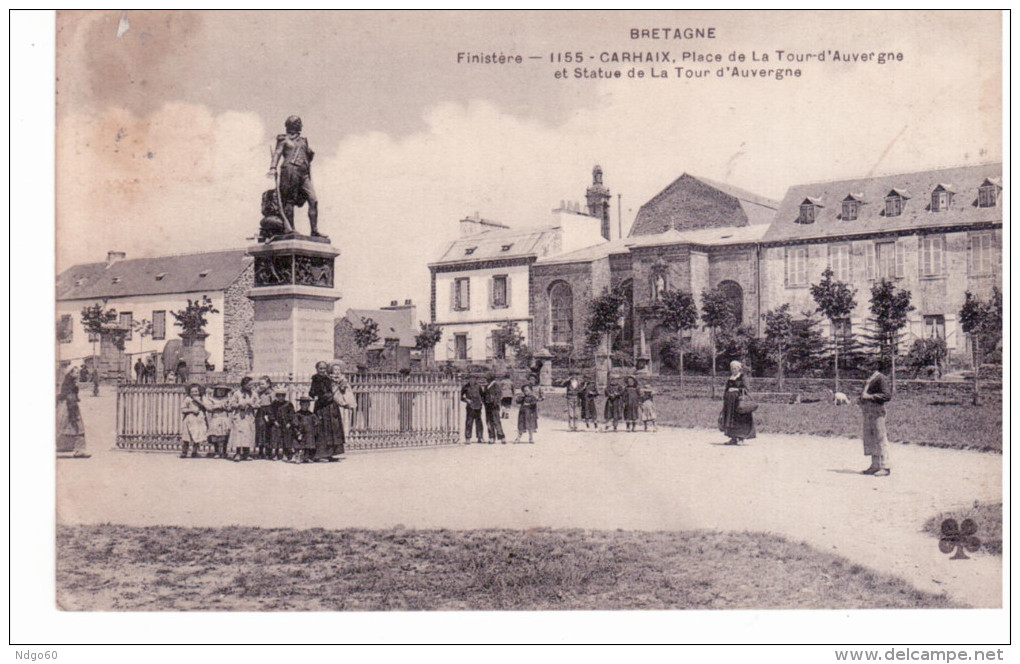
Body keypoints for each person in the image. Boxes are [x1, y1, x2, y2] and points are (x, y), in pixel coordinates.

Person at [268, 115, 321, 236]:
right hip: (290, 171)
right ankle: (290, 229)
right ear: (294, 125)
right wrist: (272, 167)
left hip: (304, 173)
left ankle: (314, 230)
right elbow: (277, 153)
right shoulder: (283, 139)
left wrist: (310, 154)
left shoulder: (303, 141)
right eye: (299, 123)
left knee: (314, 200)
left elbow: (308, 157)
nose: (301, 125)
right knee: (289, 201)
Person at [315, 362, 355, 459]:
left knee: (333, 429)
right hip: (323, 407)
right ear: (317, 369)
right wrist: (329, 395)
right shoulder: (316, 379)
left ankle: (331, 453)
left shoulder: (328, 379)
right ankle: (321, 454)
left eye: (324, 368)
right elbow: (316, 392)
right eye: (321, 368)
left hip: (332, 406)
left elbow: (340, 391)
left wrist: (341, 388)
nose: (323, 370)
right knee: (323, 429)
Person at [859, 366, 893, 476]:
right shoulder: (869, 379)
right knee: (870, 438)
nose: (864, 368)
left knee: (880, 437)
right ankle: (875, 465)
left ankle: (885, 466)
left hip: (877, 411)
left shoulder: (880, 378)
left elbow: (887, 395)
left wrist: (870, 397)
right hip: (868, 411)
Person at [719, 360, 756, 445]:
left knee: (739, 420)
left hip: (739, 403)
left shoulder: (742, 377)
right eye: (732, 368)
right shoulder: (730, 378)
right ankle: (733, 438)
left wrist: (736, 389)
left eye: (735, 368)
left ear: (739, 369)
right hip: (730, 403)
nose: (733, 370)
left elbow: (747, 389)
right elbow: (726, 389)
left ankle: (741, 438)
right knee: (730, 419)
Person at [56, 366, 88, 457]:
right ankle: (75, 448)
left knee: (70, 426)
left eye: (78, 372)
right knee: (72, 425)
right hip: (69, 406)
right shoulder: (70, 384)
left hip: (70, 404)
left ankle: (71, 447)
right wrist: (72, 410)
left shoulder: (72, 383)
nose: (78, 374)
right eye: (76, 372)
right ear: (70, 373)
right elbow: (70, 396)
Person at [228, 376, 260, 461]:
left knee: (248, 434)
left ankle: (246, 453)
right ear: (244, 384)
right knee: (239, 434)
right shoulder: (237, 393)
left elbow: (258, 404)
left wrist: (252, 405)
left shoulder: (254, 394)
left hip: (249, 416)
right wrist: (239, 405)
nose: (251, 386)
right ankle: (238, 453)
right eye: (249, 385)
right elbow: (231, 404)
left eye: (252, 385)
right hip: (239, 416)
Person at [204, 384, 233, 458]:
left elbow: (230, 408)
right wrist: (217, 407)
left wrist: (226, 407)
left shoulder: (228, 399)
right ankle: (216, 451)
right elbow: (209, 408)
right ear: (216, 391)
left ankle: (224, 451)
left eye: (223, 391)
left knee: (225, 435)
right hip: (215, 418)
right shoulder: (211, 399)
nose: (221, 392)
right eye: (219, 390)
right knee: (215, 436)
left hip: (224, 418)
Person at [180, 384, 207, 458]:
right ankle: (184, 452)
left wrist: (199, 401)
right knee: (187, 436)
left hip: (198, 420)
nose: (194, 393)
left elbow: (206, 407)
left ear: (199, 392)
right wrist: (191, 410)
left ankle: (195, 451)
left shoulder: (202, 399)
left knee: (197, 435)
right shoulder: (188, 399)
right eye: (192, 392)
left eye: (196, 391)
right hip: (189, 419)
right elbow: (183, 409)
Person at [270, 387, 296, 461]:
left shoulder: (288, 404)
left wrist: (290, 423)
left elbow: (292, 414)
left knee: (287, 436)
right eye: (279, 396)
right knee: (275, 435)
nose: (281, 397)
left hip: (286, 424)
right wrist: (274, 421)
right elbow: (271, 413)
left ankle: (286, 453)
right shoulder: (274, 404)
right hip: (276, 423)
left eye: (283, 396)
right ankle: (275, 453)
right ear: (277, 396)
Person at [293, 396, 318, 463]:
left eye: (307, 405)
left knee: (309, 444)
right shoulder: (297, 414)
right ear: (300, 405)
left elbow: (316, 422)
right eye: (303, 405)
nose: (305, 406)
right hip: (300, 432)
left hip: (309, 433)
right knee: (299, 444)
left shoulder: (311, 414)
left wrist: (316, 425)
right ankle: (297, 456)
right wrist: (297, 432)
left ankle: (306, 457)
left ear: (309, 405)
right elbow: (295, 424)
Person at [255, 376, 275, 459]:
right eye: (260, 384)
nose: (261, 385)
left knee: (268, 431)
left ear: (268, 384)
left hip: (268, 411)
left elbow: (273, 403)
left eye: (263, 384)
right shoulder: (258, 392)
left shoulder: (271, 393)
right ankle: (260, 451)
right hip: (261, 411)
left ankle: (268, 451)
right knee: (260, 430)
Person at [460, 375, 485, 444]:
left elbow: (482, 395)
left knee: (479, 422)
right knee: (469, 422)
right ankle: (468, 438)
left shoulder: (478, 386)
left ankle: (480, 437)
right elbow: (460, 396)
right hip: (470, 407)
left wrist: (481, 402)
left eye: (473, 379)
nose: (472, 380)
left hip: (478, 407)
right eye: (470, 378)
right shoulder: (465, 387)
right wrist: (466, 400)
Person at [482, 374, 505, 444]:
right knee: (489, 422)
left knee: (496, 421)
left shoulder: (496, 386)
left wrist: (495, 402)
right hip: (488, 406)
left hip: (494, 406)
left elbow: (498, 395)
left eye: (487, 378)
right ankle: (491, 437)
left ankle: (502, 437)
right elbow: (484, 396)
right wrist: (485, 402)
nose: (486, 379)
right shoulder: (486, 386)